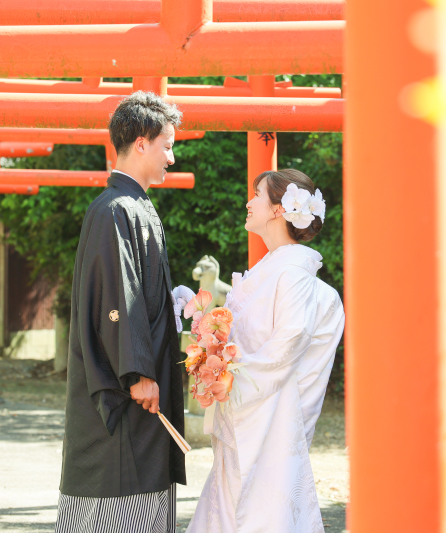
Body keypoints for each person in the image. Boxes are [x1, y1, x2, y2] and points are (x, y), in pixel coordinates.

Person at [55, 92, 186, 533]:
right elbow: (118, 300)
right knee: (119, 493)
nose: (172, 155)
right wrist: (137, 374)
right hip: (126, 390)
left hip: (139, 386)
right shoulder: (115, 210)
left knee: (139, 487)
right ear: (141, 142)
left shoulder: (133, 206)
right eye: (167, 144)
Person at [187, 169, 345, 533]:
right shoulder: (271, 268)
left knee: (257, 514)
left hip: (267, 416)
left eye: (256, 194)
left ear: (278, 210)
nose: (248, 201)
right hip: (247, 411)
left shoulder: (291, 273)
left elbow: (287, 346)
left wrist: (228, 373)